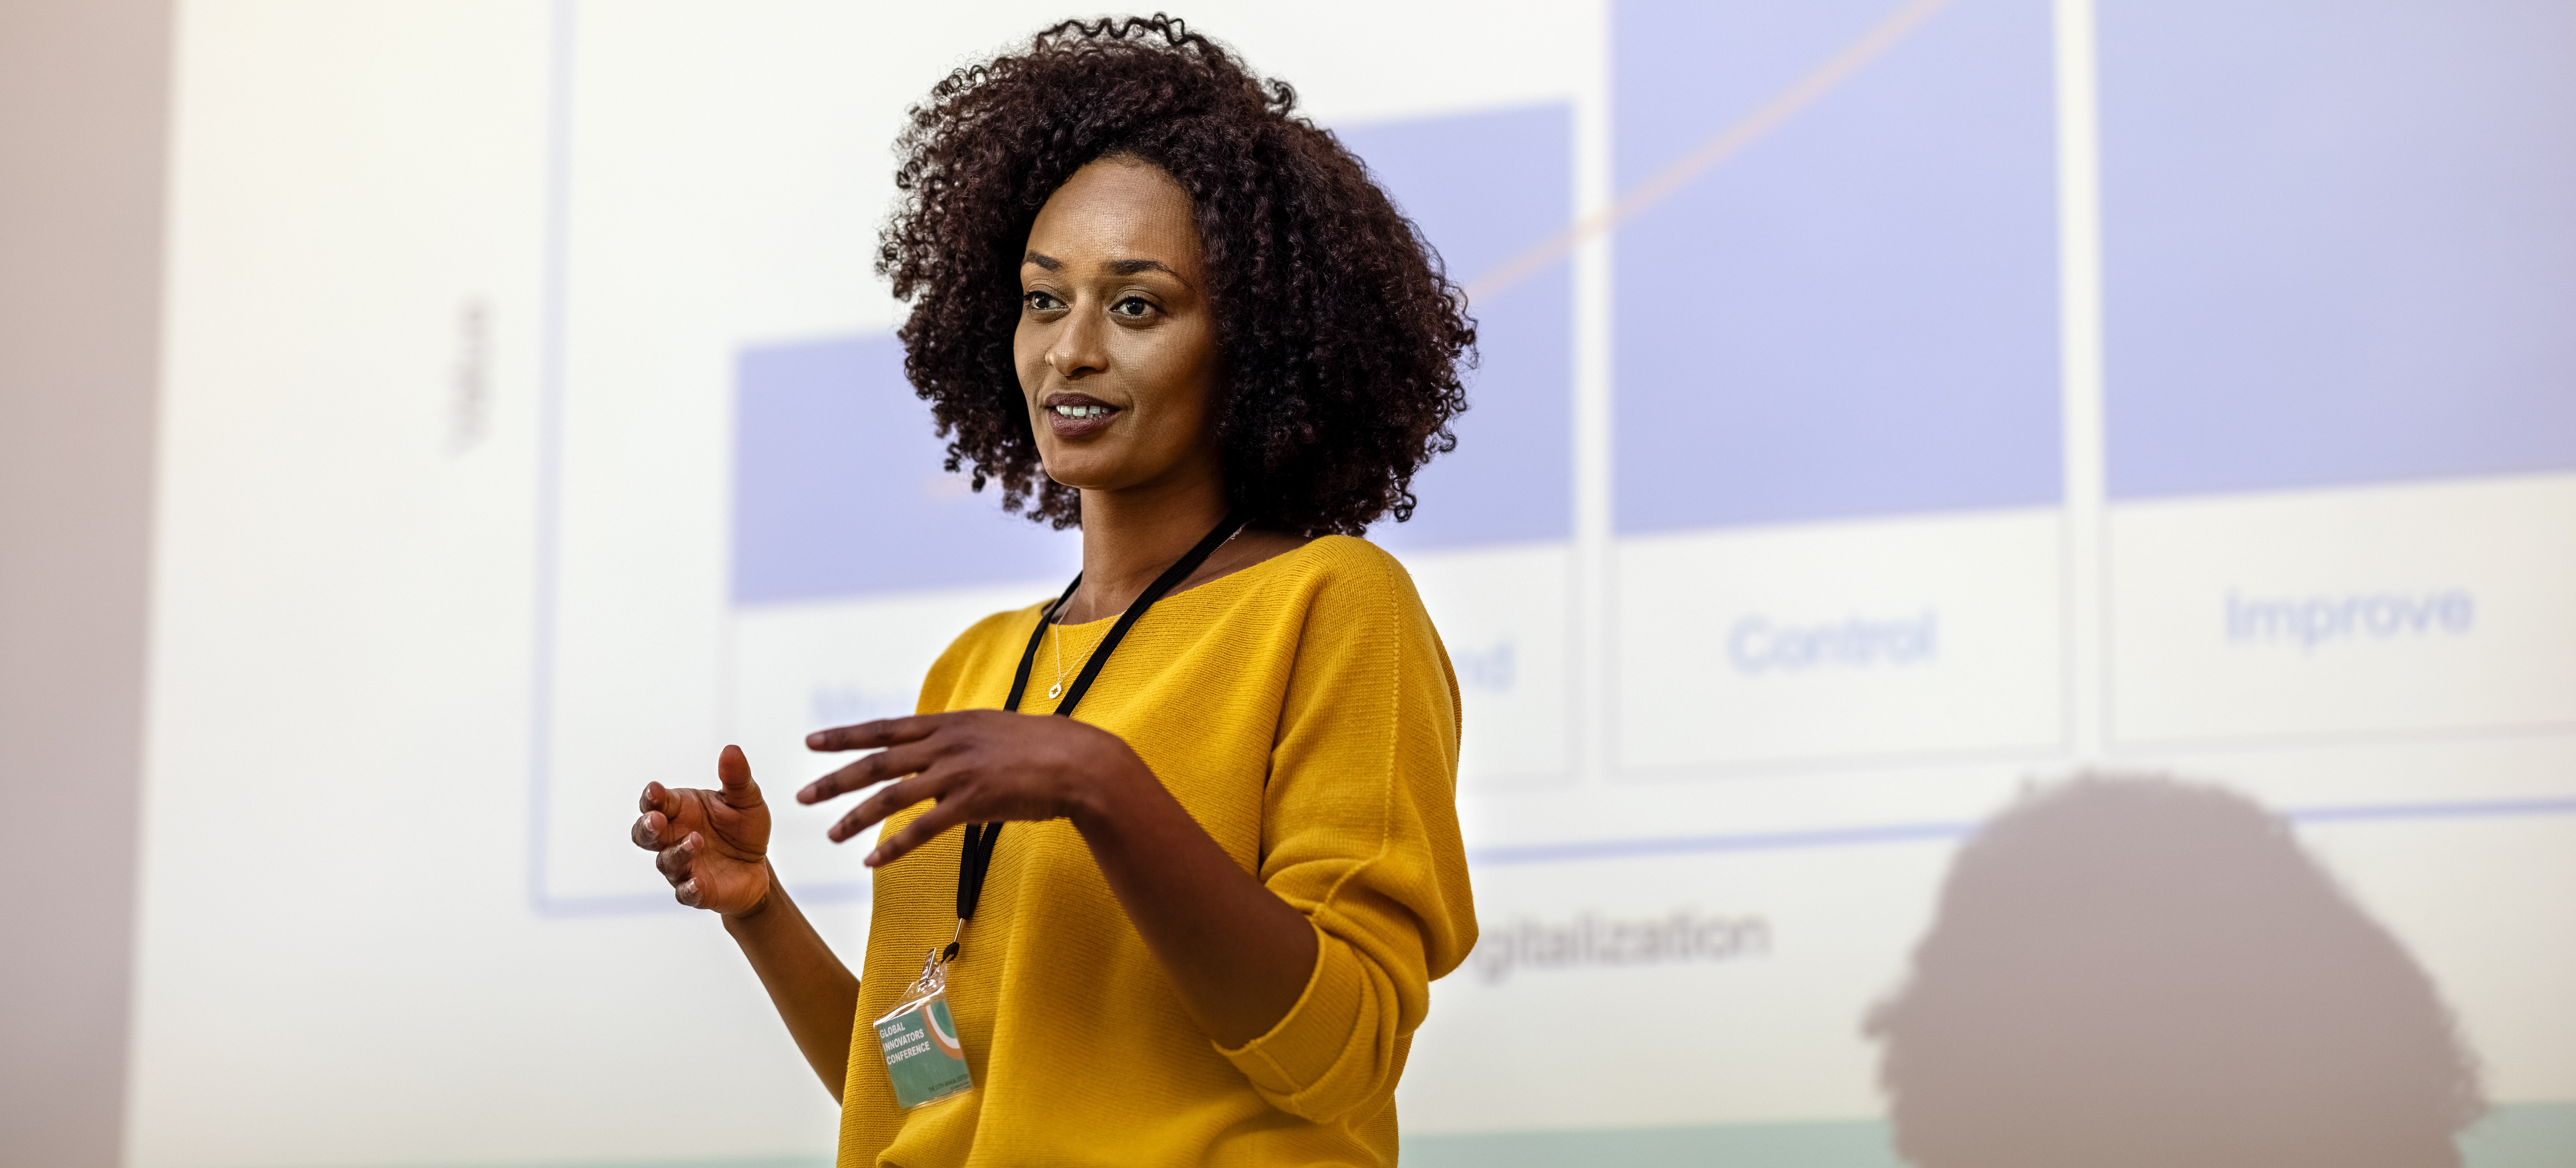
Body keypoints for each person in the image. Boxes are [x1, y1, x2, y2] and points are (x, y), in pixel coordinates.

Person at [629, 16, 1479, 1167]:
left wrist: (1102, 784)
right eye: (1043, 300)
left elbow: (1340, 1052)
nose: (1069, 351)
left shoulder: (1334, 605)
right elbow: (925, 1100)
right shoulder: (979, 667)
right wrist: (759, 908)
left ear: (1258, 345)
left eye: (1137, 306)